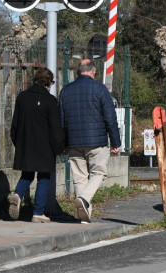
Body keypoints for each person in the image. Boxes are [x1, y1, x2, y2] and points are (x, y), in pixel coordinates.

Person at [59, 59, 121, 223]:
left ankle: (84, 216)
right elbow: (110, 118)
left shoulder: (66, 90)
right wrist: (115, 142)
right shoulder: (100, 89)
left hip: (73, 142)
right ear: (93, 72)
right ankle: (85, 199)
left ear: (79, 72)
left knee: (79, 178)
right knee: (98, 173)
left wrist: (64, 143)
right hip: (97, 142)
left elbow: (62, 120)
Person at [8, 67, 65, 223]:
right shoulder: (51, 101)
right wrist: (59, 147)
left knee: (27, 174)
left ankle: (18, 195)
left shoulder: (22, 97)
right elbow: (55, 128)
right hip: (45, 146)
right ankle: (38, 212)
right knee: (44, 177)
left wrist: (18, 142)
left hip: (25, 143)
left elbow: (15, 124)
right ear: (48, 82)